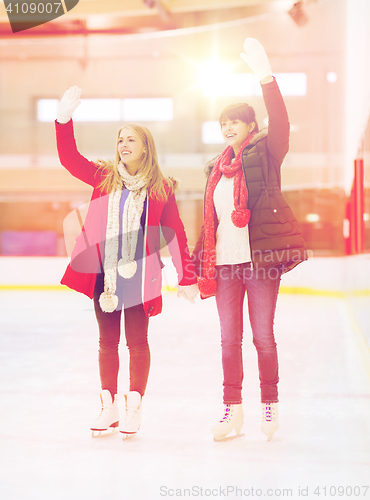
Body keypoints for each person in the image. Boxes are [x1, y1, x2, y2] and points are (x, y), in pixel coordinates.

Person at [55, 87, 198, 439]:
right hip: (104, 275)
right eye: (120, 140)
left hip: (140, 276)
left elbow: (176, 232)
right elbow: (69, 159)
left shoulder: (161, 187)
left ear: (145, 146)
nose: (123, 145)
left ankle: (134, 407)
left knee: (137, 342)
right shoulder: (105, 177)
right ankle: (109, 406)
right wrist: (62, 120)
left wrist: (187, 276)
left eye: (131, 139)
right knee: (107, 342)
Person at [192, 38, 307, 441]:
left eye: (235, 122)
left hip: (260, 263)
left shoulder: (267, 154)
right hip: (224, 265)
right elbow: (211, 224)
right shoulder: (214, 168)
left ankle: (270, 405)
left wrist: (265, 76)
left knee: (262, 338)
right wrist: (192, 271)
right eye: (223, 123)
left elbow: (283, 122)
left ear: (251, 126)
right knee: (228, 340)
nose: (227, 128)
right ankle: (232, 411)